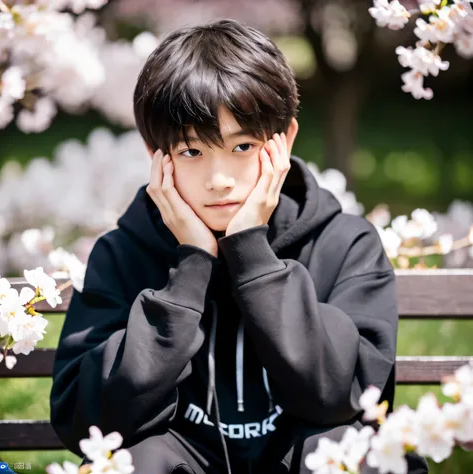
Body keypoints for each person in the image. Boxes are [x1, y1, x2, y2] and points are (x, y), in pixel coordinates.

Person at [49, 19, 428, 474]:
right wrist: (190, 269)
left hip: (302, 459)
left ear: (284, 140)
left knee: (350, 453)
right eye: (192, 152)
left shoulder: (345, 244)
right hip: (182, 461)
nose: (219, 180)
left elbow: (346, 397)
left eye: (243, 146)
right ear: (156, 155)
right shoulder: (124, 254)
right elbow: (85, 423)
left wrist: (251, 254)